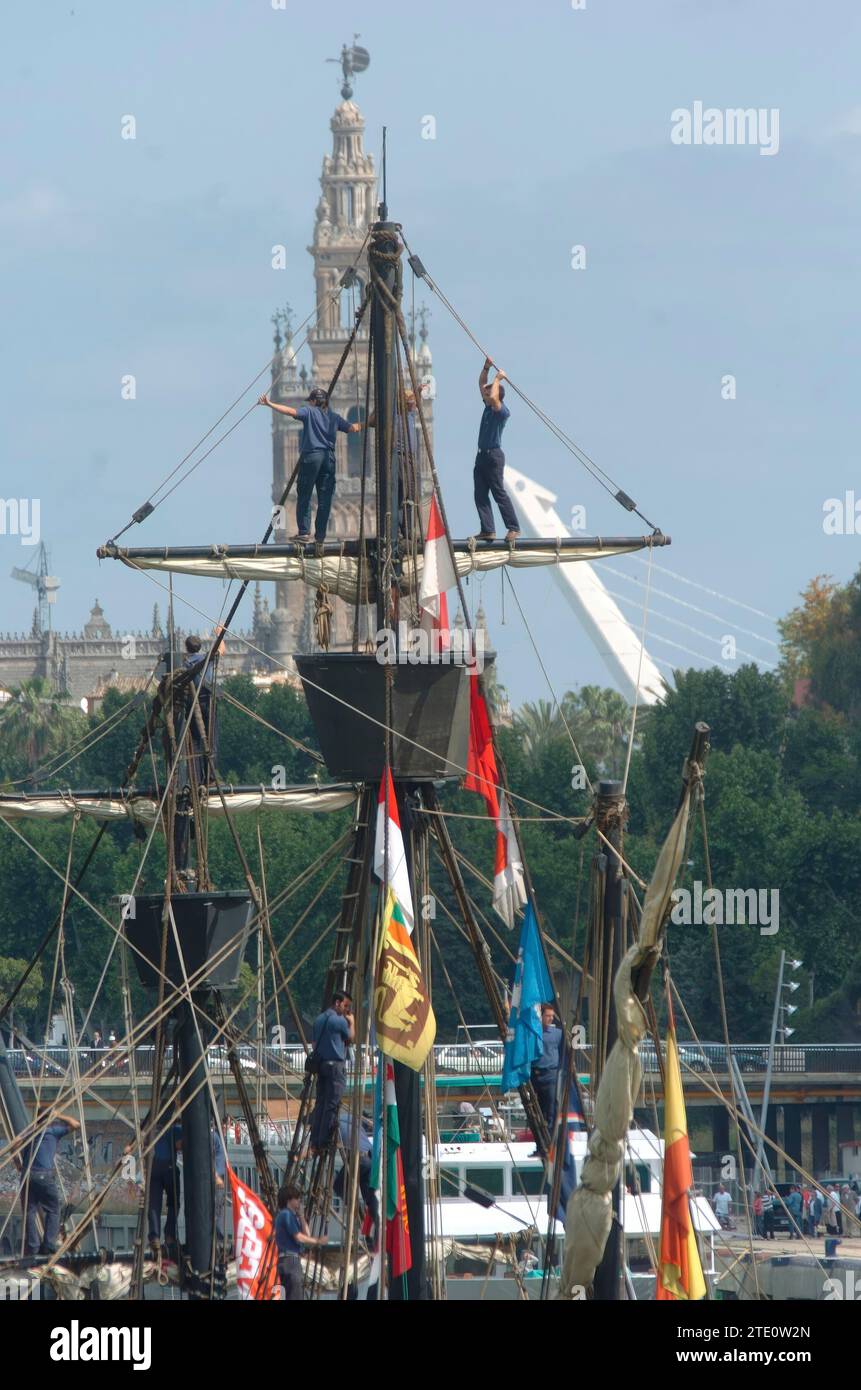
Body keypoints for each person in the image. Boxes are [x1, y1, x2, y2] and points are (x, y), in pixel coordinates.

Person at [258, 388, 363, 543]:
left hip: (313, 456)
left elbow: (290, 411)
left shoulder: (309, 412)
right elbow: (353, 428)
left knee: (304, 494)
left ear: (314, 401)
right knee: (325, 499)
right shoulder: (334, 417)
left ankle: (304, 532)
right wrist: (371, 421)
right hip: (329, 459)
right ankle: (320, 536)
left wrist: (269, 403)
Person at [473, 357, 519, 543]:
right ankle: (488, 530)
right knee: (480, 493)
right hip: (482, 456)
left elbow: (492, 395)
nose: (485, 393)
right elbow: (481, 384)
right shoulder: (488, 406)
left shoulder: (501, 411)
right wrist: (486, 368)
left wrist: (498, 378)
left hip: (493, 456)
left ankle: (513, 527)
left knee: (498, 492)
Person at [21, 1110, 80, 1255]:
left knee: (30, 1211)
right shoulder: (52, 1131)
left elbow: (20, 1151)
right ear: (50, 1120)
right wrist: (58, 1114)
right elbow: (75, 1124)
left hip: (27, 1175)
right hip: (42, 1175)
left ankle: (33, 1247)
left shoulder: (29, 1133)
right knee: (54, 1209)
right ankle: (48, 1245)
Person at [308, 991, 355, 1154]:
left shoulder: (319, 1019)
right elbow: (350, 1038)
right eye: (345, 1005)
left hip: (321, 1065)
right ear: (337, 1003)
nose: (346, 1010)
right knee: (331, 1104)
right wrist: (352, 1023)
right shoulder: (340, 1021)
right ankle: (324, 1141)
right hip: (336, 1066)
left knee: (320, 1103)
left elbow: (314, 1044)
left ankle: (314, 1140)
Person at [274, 1184, 326, 1301]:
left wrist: (301, 1216)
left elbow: (306, 1234)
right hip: (290, 1262)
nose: (299, 1201)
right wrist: (318, 1241)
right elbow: (299, 1237)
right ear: (289, 1200)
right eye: (297, 1198)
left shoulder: (288, 1216)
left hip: (286, 1261)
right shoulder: (286, 1214)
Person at [333, 1111, 378, 1245]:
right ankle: (376, 1235)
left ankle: (357, 1210)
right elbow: (370, 1126)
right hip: (371, 1157)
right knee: (370, 1199)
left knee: (339, 1186)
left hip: (358, 1158)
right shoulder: (353, 1116)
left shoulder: (332, 1120)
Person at [530, 1004, 562, 1156]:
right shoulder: (533, 1033)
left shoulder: (557, 1034)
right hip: (535, 1075)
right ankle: (540, 1145)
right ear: (540, 1016)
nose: (550, 1018)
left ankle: (550, 1145)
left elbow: (564, 1054)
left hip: (551, 1075)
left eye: (552, 1016)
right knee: (537, 1112)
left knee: (550, 1111)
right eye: (547, 1015)